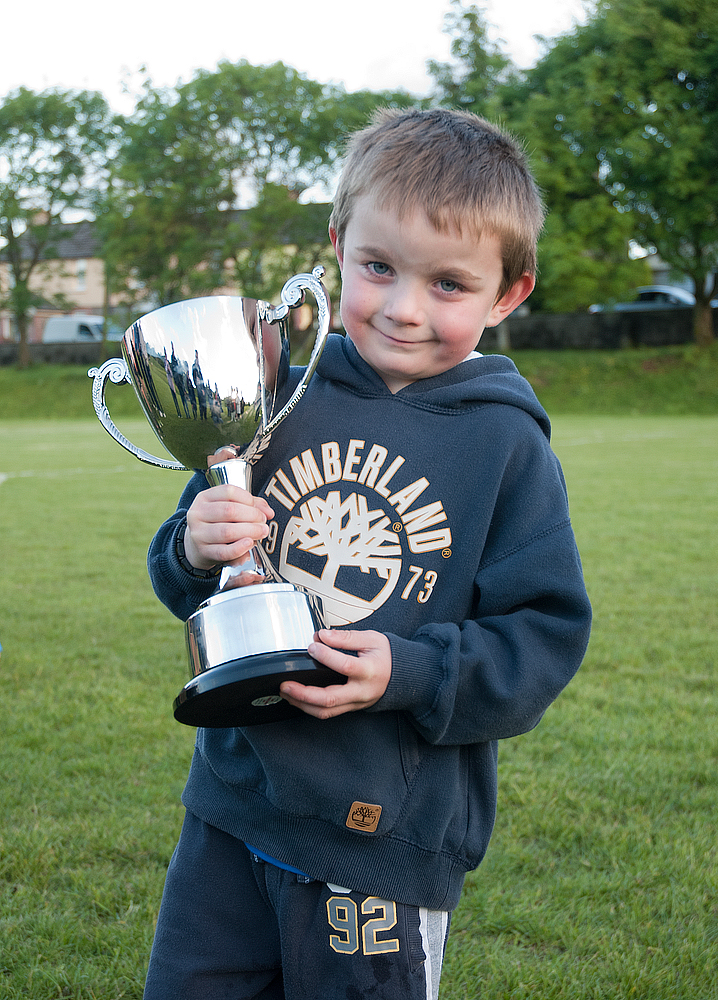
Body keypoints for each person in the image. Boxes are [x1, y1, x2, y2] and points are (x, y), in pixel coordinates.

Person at [143, 107, 592, 1000]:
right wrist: (194, 548)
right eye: (378, 268)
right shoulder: (279, 392)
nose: (402, 308)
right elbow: (188, 581)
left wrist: (414, 671)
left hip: (381, 835)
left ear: (508, 293)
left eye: (449, 284)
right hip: (231, 806)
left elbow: (544, 636)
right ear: (338, 246)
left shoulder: (506, 445)